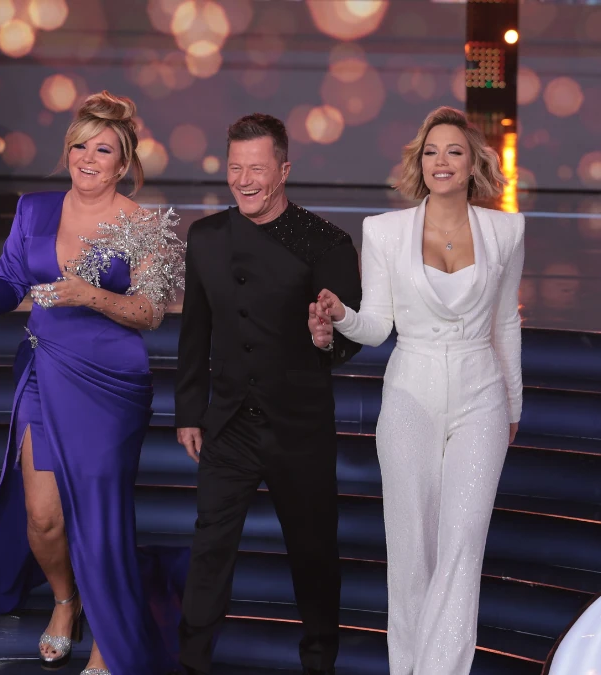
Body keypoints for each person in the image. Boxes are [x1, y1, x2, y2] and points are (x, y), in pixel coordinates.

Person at [0, 91, 185, 675]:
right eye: (80, 146)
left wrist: (89, 296)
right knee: (43, 517)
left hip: (110, 385)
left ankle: (110, 636)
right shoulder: (34, 209)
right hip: (42, 369)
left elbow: (151, 312)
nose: (87, 158)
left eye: (102, 149)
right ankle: (64, 599)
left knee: (99, 522)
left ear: (123, 163)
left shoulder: (143, 226)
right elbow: (10, 279)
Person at [309, 106, 524, 675]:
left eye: (453, 151)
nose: (440, 161)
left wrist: (513, 405)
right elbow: (378, 327)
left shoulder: (506, 230)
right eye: (431, 152)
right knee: (410, 550)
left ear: (473, 162)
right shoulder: (384, 231)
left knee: (463, 542)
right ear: (419, 162)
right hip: (410, 393)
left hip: (482, 393)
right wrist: (341, 315)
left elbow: (505, 323)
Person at [174, 113, 362, 675]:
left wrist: (327, 336)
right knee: (209, 548)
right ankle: (191, 663)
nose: (244, 180)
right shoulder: (206, 238)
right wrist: (190, 411)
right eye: (235, 168)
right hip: (229, 423)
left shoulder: (326, 242)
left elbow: (349, 337)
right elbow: (194, 332)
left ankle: (319, 662)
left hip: (298, 426)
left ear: (283, 170)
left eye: (256, 169)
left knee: (313, 552)